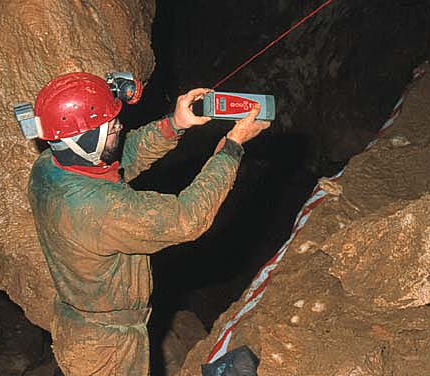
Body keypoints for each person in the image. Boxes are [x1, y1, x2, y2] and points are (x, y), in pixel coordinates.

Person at [26, 72, 270, 375]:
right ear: (87, 141)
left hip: (77, 326)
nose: (120, 125)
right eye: (110, 125)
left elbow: (118, 159)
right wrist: (232, 147)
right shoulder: (99, 209)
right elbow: (187, 218)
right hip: (109, 347)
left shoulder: (49, 168)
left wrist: (174, 124)